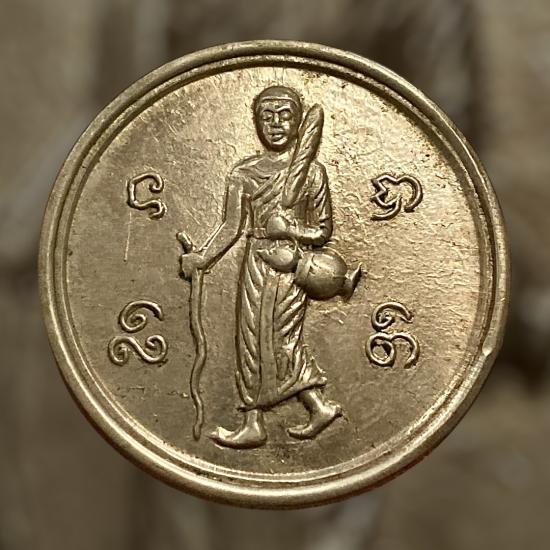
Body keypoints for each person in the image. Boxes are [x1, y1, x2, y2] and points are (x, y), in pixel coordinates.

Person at [179, 85, 344, 449]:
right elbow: (230, 227)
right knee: (250, 339)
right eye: (266, 117)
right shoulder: (243, 173)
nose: (275, 124)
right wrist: (203, 258)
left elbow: (323, 230)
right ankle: (254, 422)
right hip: (255, 261)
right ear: (256, 123)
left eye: (285, 116)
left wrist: (290, 230)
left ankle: (318, 406)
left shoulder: (312, 173)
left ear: (298, 123)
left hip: (290, 265)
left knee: (282, 338)